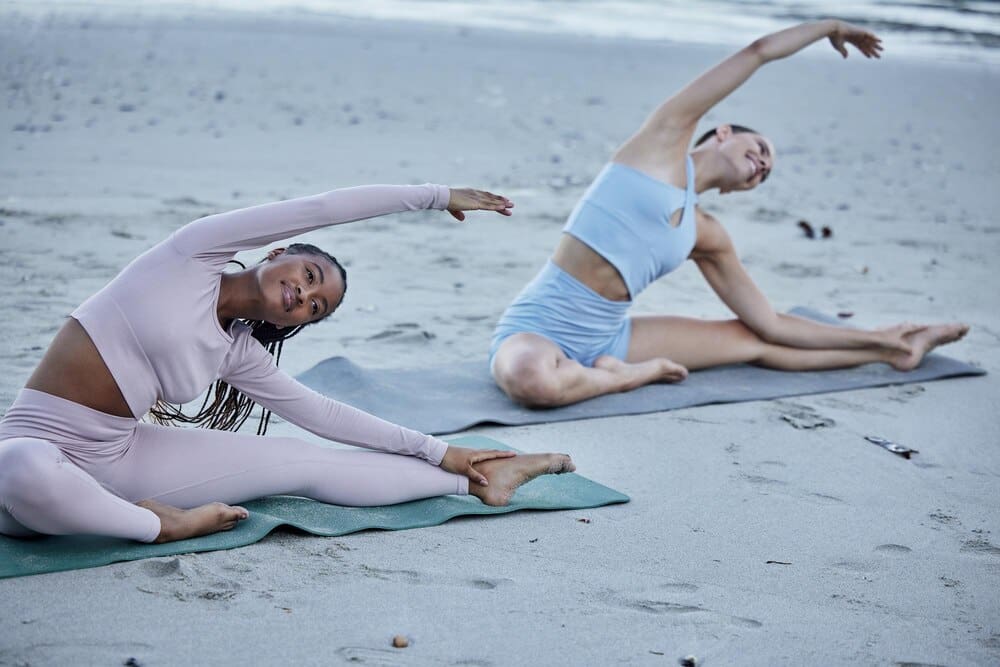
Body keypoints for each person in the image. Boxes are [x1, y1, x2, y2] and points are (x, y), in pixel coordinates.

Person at [0, 184, 574, 544]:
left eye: (317, 304)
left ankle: (475, 483)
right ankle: (158, 526)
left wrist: (439, 450)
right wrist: (433, 195)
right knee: (19, 465)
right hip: (41, 454)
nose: (305, 292)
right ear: (279, 252)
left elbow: (322, 414)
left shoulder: (235, 350)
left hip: (119, 459)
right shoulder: (189, 255)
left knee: (307, 461)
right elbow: (321, 209)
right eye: (308, 275)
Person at [490, 19, 968, 408]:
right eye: (759, 149)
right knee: (530, 380)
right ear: (722, 133)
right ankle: (628, 379)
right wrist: (828, 26)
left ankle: (899, 347)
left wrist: (878, 339)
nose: (761, 164)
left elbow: (770, 326)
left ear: (743, 190)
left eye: (765, 172)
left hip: (613, 338)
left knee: (756, 344)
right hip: (540, 328)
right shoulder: (659, 145)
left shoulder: (706, 234)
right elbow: (757, 52)